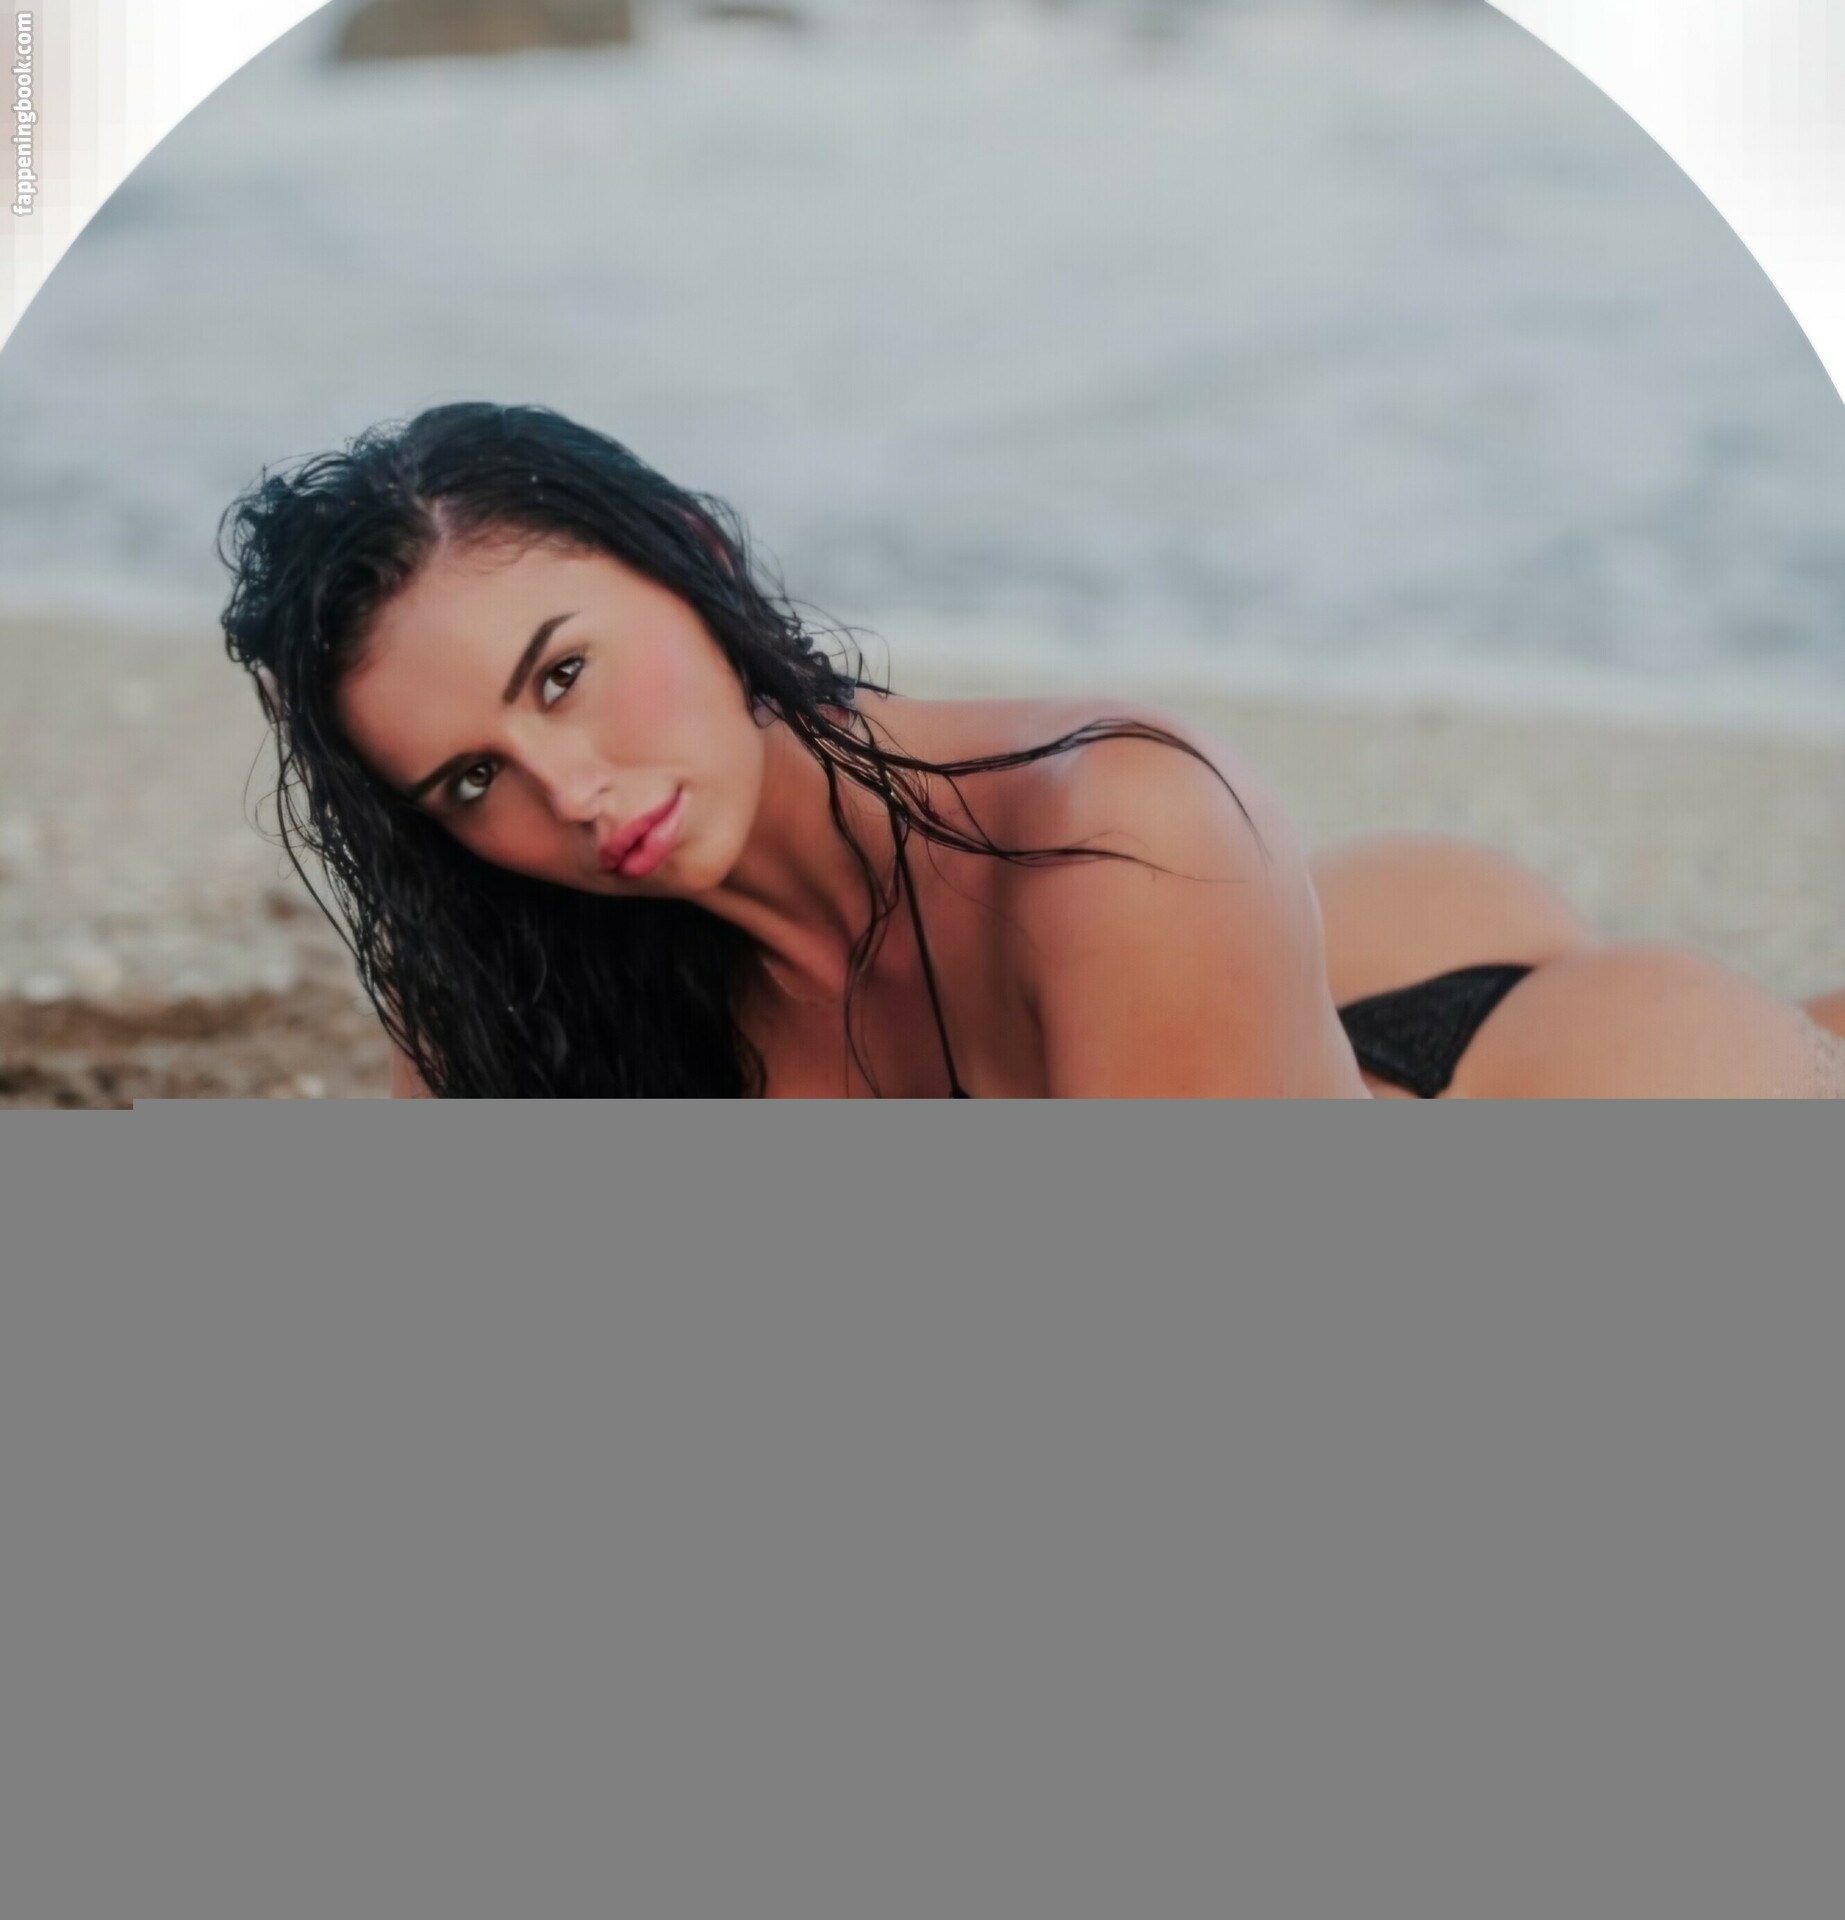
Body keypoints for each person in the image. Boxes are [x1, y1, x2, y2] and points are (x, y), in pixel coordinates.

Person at [217, 402, 1845, 1100]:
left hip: (1575, 1083)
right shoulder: (521, 1006)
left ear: (694, 560)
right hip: (1282, 1010)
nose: (567, 793)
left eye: (564, 674)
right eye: (471, 780)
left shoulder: (1106, 824)